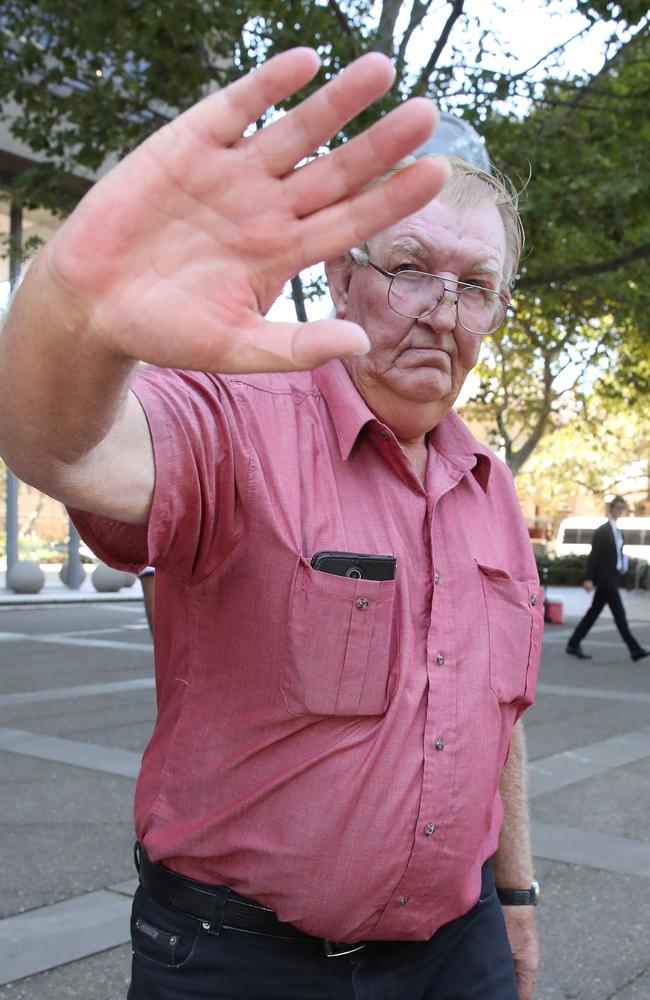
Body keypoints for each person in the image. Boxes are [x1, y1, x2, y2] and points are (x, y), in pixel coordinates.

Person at [0, 49, 543, 1000]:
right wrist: (73, 306)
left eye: (475, 286)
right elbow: (63, 450)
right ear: (340, 279)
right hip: (239, 963)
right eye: (410, 269)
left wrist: (519, 897)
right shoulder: (237, 420)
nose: (441, 313)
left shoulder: (490, 486)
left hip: (462, 955)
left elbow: (493, 715)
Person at [566, 496, 649, 662]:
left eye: (622, 508)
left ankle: (573, 643)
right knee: (619, 615)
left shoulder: (618, 531)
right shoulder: (603, 530)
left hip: (613, 576)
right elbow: (594, 555)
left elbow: (618, 553)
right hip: (605, 579)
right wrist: (588, 578)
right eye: (617, 507)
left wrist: (622, 565)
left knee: (593, 613)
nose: (620, 511)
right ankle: (634, 649)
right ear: (611, 509)